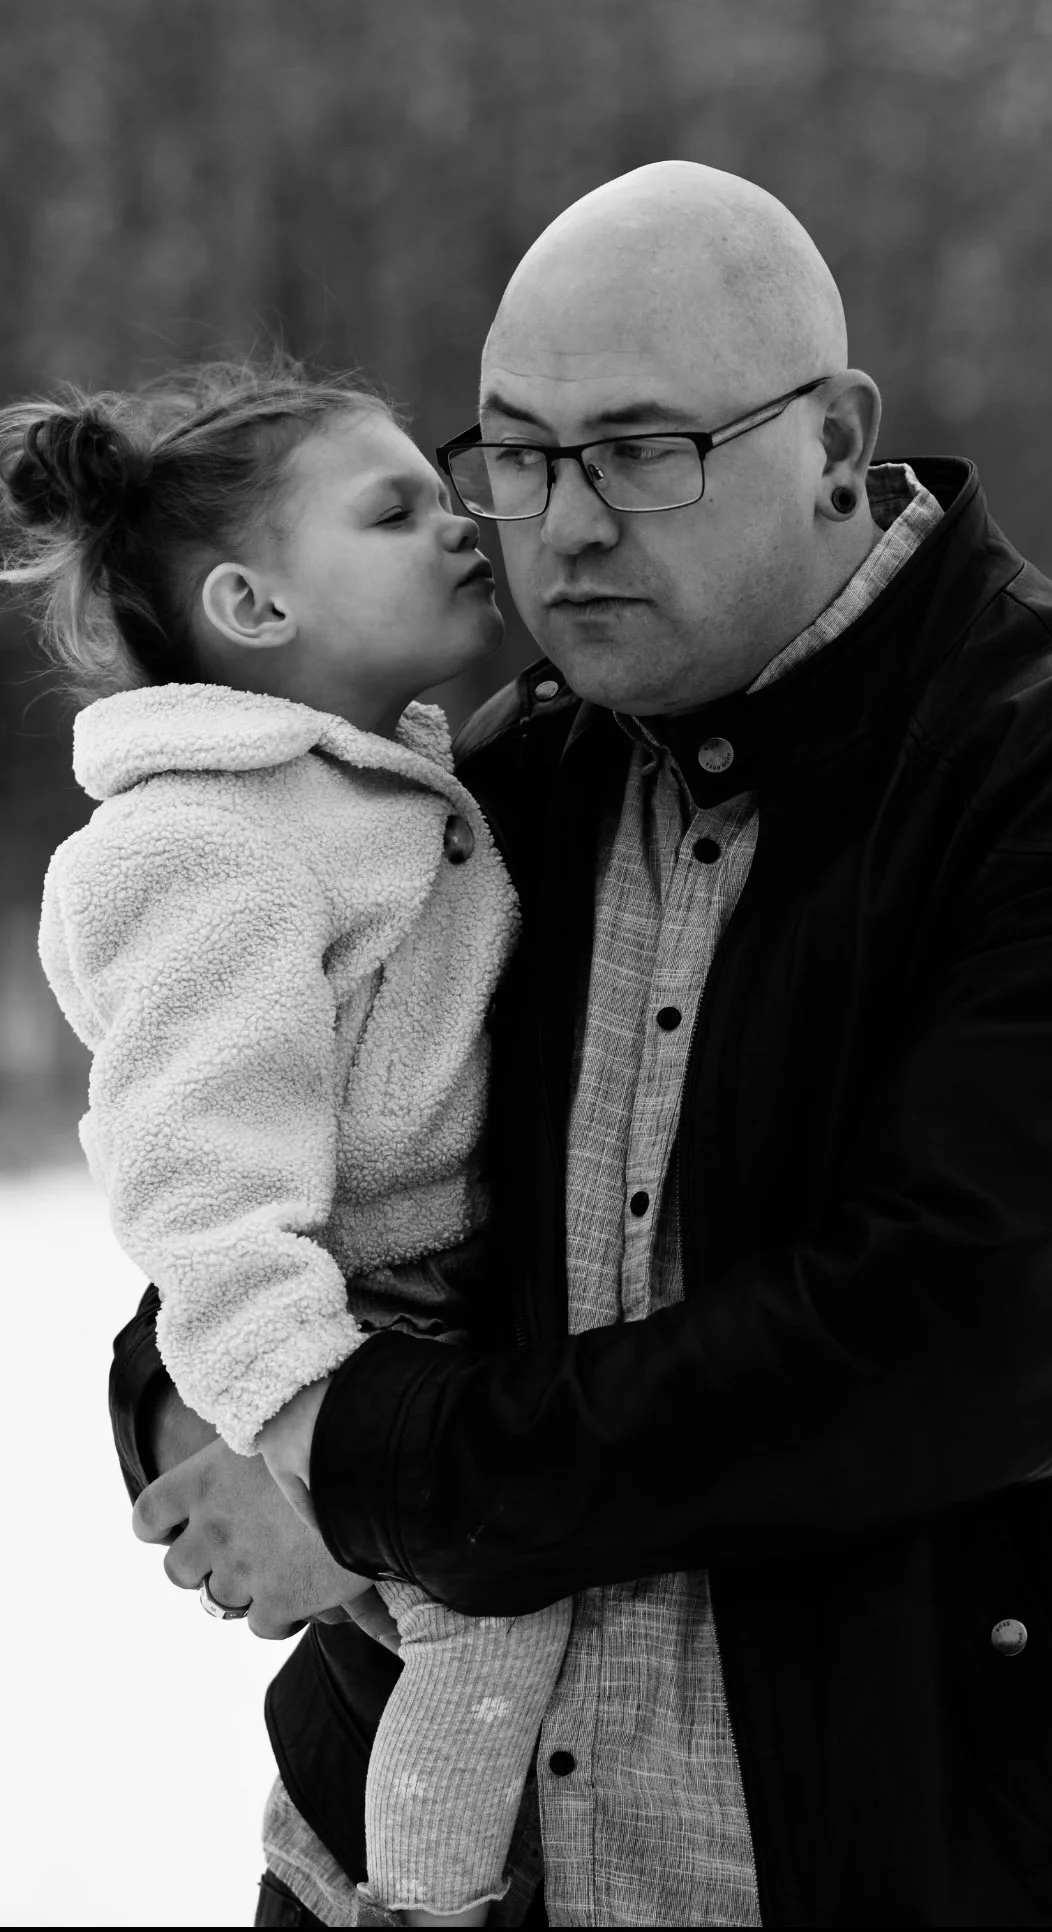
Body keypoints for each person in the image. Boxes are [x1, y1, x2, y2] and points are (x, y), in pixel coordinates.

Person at [117, 162, 1052, 1926]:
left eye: (642, 451)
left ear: (836, 440)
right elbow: (249, 1192)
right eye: (518, 455)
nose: (563, 527)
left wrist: (367, 1469)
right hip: (401, 1874)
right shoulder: (498, 780)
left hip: (865, 1872)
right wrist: (197, 1419)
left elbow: (936, 1349)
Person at [4, 361, 571, 1926]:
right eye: (395, 511)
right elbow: (196, 1179)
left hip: (426, 1321)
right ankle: (423, 1905)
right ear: (255, 607)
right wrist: (310, 1427)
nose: (461, 525)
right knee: (488, 1616)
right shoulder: (216, 847)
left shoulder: (372, 790)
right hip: (360, 1335)